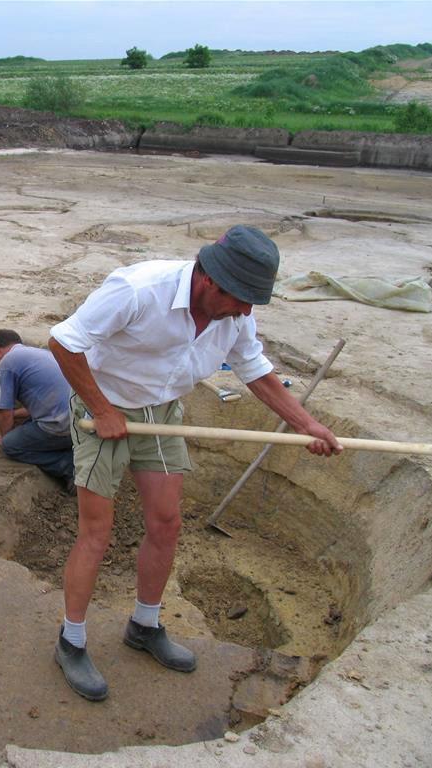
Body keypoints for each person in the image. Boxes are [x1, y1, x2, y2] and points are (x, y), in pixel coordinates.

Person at [47, 225, 341, 701]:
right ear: (210, 282)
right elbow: (64, 342)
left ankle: (144, 625)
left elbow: (255, 371)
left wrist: (307, 424)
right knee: (96, 533)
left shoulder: (235, 313)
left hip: (161, 413)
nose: (246, 312)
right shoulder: (139, 290)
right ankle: (71, 641)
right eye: (241, 300)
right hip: (104, 409)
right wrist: (102, 409)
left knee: (166, 522)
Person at [0, 329, 75, 492]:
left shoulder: (5, 364)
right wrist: (16, 414)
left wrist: (6, 440)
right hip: (80, 423)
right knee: (31, 424)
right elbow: (43, 404)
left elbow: (4, 411)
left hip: (61, 427)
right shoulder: (40, 354)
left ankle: (70, 467)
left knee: (11, 446)